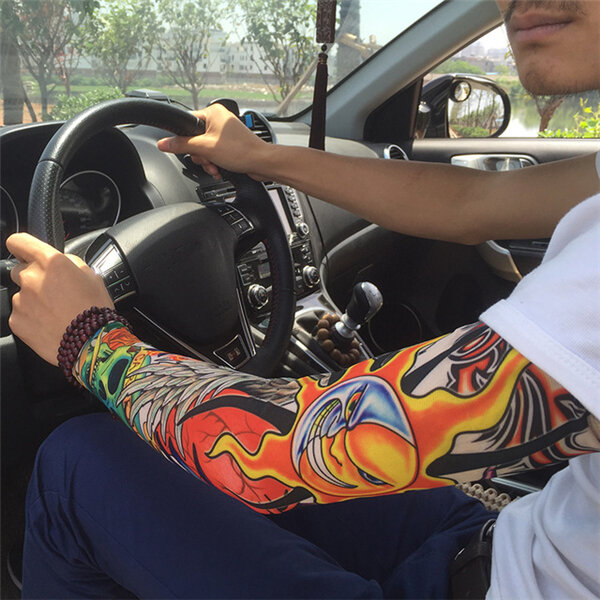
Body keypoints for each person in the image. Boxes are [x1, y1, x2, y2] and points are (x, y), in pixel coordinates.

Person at [6, 0, 600, 597]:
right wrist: (262, 159)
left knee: (73, 467)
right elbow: (473, 203)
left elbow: (276, 454)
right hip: (513, 545)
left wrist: (88, 340)